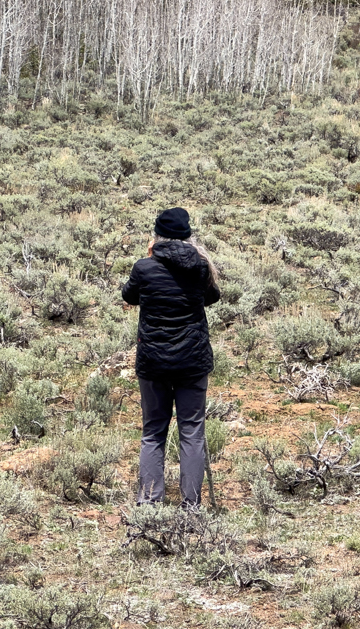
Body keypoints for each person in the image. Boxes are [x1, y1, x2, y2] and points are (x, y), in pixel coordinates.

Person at [121, 207, 220, 508]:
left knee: (153, 431)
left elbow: (129, 296)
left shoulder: (144, 267)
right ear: (187, 236)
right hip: (192, 361)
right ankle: (191, 506)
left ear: (157, 236)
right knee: (192, 431)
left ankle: (149, 504)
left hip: (154, 362)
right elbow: (212, 298)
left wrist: (149, 259)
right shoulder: (199, 267)